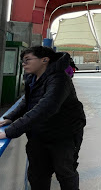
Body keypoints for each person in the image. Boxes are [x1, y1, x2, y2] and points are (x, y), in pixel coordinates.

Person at [0, 46, 86, 189]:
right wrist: (11, 117)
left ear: (44, 60)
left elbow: (46, 107)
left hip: (64, 134)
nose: (23, 63)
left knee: (65, 171)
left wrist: (11, 131)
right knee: (37, 174)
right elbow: (27, 100)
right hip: (39, 134)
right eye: (23, 61)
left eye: (27, 60)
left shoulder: (59, 79)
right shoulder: (32, 77)